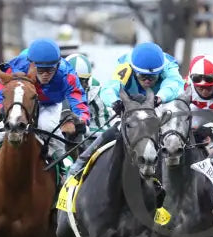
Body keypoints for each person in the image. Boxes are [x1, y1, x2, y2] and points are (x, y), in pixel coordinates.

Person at [0, 38, 90, 173]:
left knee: (49, 127)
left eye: (50, 70)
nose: (45, 75)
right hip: (23, 104)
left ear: (57, 65)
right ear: (31, 64)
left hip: (50, 104)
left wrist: (81, 120)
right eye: (40, 70)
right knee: (2, 129)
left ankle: (62, 169)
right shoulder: (15, 67)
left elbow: (78, 101)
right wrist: (6, 109)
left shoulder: (67, 74)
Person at [66, 41, 184, 177]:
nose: (147, 81)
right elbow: (110, 87)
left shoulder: (168, 65)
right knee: (112, 133)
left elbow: (175, 84)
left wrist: (159, 97)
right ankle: (78, 166)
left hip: (162, 104)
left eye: (152, 77)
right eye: (142, 76)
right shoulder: (125, 65)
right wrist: (114, 102)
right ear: (134, 69)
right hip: (133, 108)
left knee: (176, 132)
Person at [65, 52, 112, 131]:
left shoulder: (94, 90)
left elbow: (104, 128)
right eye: (81, 81)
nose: (86, 85)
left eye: (86, 80)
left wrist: (84, 130)